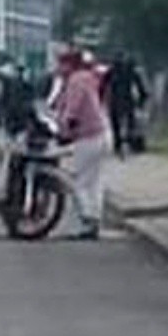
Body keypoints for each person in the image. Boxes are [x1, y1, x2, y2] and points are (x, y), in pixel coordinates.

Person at [53, 48, 112, 240]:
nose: (58, 68)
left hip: (88, 136)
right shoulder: (88, 78)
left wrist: (64, 131)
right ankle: (94, 220)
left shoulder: (77, 80)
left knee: (78, 181)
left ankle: (88, 220)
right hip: (101, 133)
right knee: (94, 181)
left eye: (61, 63)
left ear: (69, 64)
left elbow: (73, 108)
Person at [103, 53, 149, 156]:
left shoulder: (121, 71)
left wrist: (143, 98)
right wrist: (143, 98)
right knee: (122, 122)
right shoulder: (114, 71)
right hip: (122, 100)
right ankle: (121, 142)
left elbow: (102, 86)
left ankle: (123, 142)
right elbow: (102, 85)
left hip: (122, 100)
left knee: (122, 122)